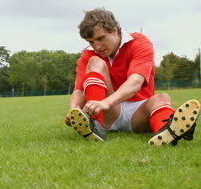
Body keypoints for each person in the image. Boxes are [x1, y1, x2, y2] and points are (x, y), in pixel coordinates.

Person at [64, 8, 199, 146]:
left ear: (115, 30)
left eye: (100, 38)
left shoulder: (140, 43)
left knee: (162, 98)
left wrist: (107, 102)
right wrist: (74, 111)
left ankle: (167, 132)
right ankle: (93, 123)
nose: (97, 46)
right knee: (95, 62)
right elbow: (79, 90)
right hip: (107, 113)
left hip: (138, 113)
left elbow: (136, 82)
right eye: (91, 42)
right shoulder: (89, 54)